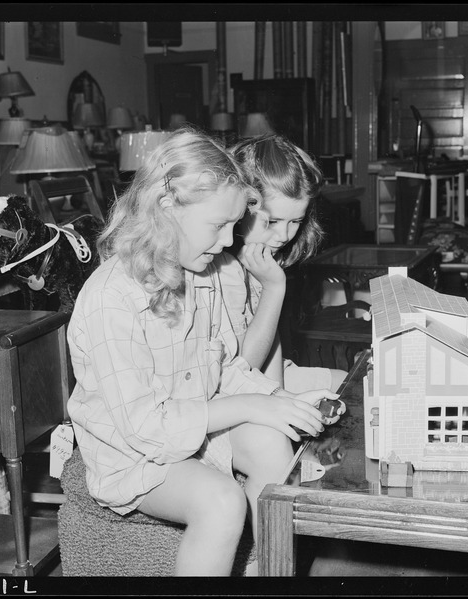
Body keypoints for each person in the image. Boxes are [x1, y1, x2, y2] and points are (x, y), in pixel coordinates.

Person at [66, 127, 340, 576]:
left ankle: (271, 571)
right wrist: (250, 403)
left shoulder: (201, 272)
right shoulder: (110, 299)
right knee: (221, 501)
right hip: (136, 455)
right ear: (165, 209)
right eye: (220, 225)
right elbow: (145, 429)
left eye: (236, 225)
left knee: (274, 446)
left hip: (197, 425)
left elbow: (227, 365)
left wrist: (279, 401)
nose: (231, 241)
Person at [216, 134, 347, 394]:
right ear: (241, 206)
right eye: (273, 221)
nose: (285, 235)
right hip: (231, 386)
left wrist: (281, 394)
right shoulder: (221, 268)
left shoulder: (260, 254)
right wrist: (274, 289)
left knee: (348, 381)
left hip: (264, 373)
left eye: (296, 221)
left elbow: (271, 337)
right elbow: (244, 371)